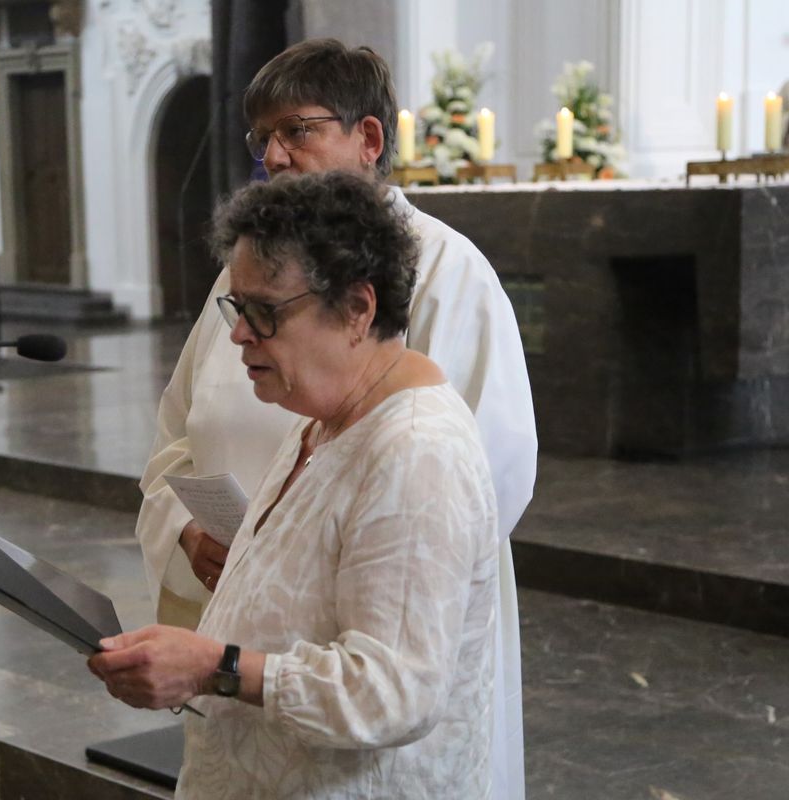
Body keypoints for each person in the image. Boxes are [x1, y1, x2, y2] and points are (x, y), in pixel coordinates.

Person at [132, 39, 536, 800]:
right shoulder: (247, 276)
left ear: (370, 139)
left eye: (298, 131)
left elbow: (482, 480)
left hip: (359, 662)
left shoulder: (450, 277)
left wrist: (313, 575)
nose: (275, 156)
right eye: (262, 140)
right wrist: (193, 538)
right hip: (253, 670)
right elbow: (176, 440)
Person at [92, 171, 499, 798]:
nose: (238, 334)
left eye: (264, 312)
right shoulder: (326, 419)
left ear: (358, 309)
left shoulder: (416, 453)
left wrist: (213, 667)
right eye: (236, 306)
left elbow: (393, 693)